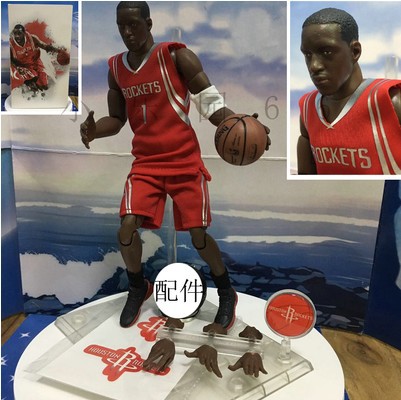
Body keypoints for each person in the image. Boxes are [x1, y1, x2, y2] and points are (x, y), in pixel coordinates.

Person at [80, 2, 270, 331]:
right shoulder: (116, 68)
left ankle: (226, 290)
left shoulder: (176, 56)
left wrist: (246, 126)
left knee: (198, 236)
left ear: (149, 23)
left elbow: (212, 106)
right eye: (121, 25)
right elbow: (117, 119)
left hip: (183, 160)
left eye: (134, 24)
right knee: (126, 227)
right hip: (146, 163)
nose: (127, 32)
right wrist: (94, 130)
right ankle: (138, 286)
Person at [297, 8, 401, 175]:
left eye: (326, 52)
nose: (314, 66)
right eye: (308, 54)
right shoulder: (308, 109)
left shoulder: (391, 101)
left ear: (355, 51)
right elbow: (305, 180)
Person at [9, 24, 61, 93]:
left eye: (19, 33)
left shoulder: (32, 38)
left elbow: (44, 46)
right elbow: (11, 60)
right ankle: (31, 91)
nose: (17, 36)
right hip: (23, 66)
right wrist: (17, 67)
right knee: (31, 84)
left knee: (44, 85)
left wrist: (58, 50)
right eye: (15, 33)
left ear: (24, 33)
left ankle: (43, 93)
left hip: (36, 62)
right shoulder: (11, 45)